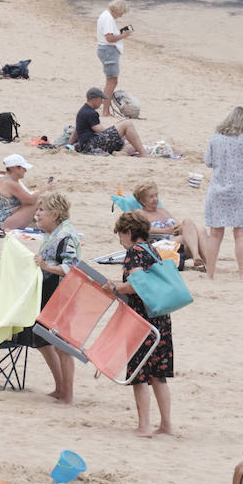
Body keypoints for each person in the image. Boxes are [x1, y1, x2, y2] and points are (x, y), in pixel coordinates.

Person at [103, 211, 173, 437]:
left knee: (139, 374)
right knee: (158, 374)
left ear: (129, 232)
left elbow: (135, 285)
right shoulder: (154, 250)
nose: (120, 241)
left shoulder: (133, 253)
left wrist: (116, 288)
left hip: (141, 320)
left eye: (121, 235)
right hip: (160, 318)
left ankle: (144, 426)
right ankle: (166, 425)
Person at [31, 190, 79, 404]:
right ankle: (60, 387)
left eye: (42, 209)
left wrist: (46, 266)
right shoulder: (52, 234)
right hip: (50, 292)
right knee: (41, 339)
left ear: (55, 214)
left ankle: (67, 394)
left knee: (62, 346)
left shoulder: (66, 235)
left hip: (64, 295)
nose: (37, 213)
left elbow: (73, 267)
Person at [203, 106, 243, 280]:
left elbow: (208, 161)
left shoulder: (215, 138)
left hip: (218, 189)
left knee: (215, 234)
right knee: (240, 233)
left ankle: (210, 274)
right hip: (239, 189)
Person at [74, 87, 145, 156]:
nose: (102, 102)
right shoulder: (90, 112)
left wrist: (69, 144)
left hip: (86, 145)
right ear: (94, 99)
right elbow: (99, 129)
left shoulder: (82, 111)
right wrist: (117, 131)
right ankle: (144, 154)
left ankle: (122, 153)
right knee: (127, 123)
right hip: (92, 145)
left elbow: (76, 130)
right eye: (100, 99)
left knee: (132, 144)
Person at [0, 153, 48, 230]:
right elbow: (31, 200)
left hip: (4, 220)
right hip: (5, 223)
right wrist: (44, 189)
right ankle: (46, 225)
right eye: (23, 168)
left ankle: (44, 223)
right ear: (15, 168)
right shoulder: (10, 183)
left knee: (37, 199)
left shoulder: (8, 180)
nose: (25, 170)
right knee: (37, 201)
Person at [95, 0, 132, 115]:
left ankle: (104, 108)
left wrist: (119, 34)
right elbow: (109, 38)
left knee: (111, 80)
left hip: (106, 50)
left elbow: (109, 35)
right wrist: (123, 35)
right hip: (108, 51)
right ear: (118, 10)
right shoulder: (109, 19)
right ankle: (105, 111)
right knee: (112, 81)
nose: (121, 15)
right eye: (121, 12)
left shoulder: (105, 15)